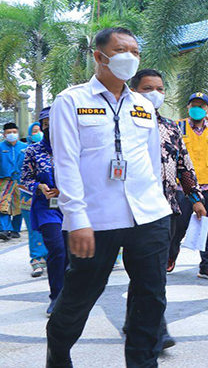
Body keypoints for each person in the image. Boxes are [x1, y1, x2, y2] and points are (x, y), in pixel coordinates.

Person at [46, 27, 173, 367]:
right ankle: (58, 352)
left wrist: (162, 209)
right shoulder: (70, 101)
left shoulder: (144, 105)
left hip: (148, 217)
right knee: (79, 295)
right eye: (120, 50)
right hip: (96, 219)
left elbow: (150, 161)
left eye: (135, 51)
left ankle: (143, 363)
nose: (129, 57)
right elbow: (66, 163)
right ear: (99, 56)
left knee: (151, 297)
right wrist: (76, 220)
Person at [129, 68, 207, 349]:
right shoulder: (124, 123)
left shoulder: (171, 127)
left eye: (160, 88)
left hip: (164, 208)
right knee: (147, 272)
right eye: (148, 88)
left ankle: (146, 326)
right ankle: (153, 329)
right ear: (134, 90)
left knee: (152, 272)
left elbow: (184, 164)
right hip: (131, 210)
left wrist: (195, 197)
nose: (156, 94)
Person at [170, 93, 208, 280]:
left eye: (201, 106)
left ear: (207, 109)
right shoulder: (178, 127)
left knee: (206, 226)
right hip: (183, 187)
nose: (197, 108)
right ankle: (171, 255)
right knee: (179, 225)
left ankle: (206, 266)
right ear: (188, 108)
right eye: (194, 104)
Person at [20, 107, 65, 315]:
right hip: (47, 207)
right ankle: (56, 296)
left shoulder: (72, 148)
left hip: (71, 206)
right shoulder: (33, 151)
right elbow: (24, 180)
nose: (49, 128)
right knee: (57, 249)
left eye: (53, 123)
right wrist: (39, 187)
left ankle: (71, 297)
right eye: (46, 124)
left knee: (72, 255)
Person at [19, 120, 50, 278]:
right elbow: (22, 177)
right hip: (30, 198)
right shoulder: (25, 152)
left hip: (52, 199)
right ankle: (37, 261)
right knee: (34, 230)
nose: (39, 132)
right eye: (36, 130)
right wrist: (37, 187)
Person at [0, 123, 27, 241]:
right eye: (9, 132)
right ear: (4, 134)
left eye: (14, 132)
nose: (12, 134)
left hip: (20, 180)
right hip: (4, 180)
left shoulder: (24, 147)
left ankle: (15, 229)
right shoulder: (0, 147)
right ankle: (4, 229)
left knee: (19, 204)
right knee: (3, 204)